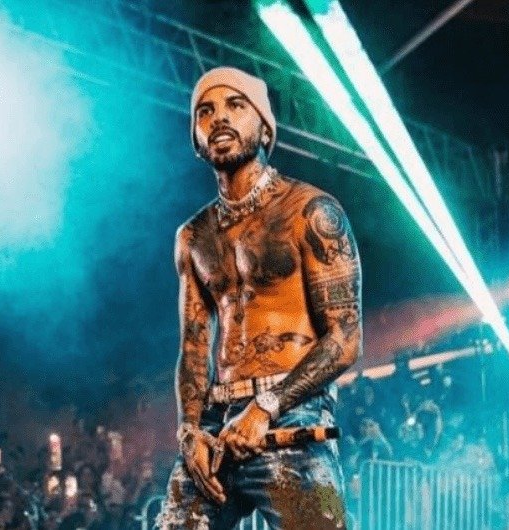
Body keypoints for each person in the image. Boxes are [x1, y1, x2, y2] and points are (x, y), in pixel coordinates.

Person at [156, 66, 363, 529]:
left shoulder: (311, 212)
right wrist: (189, 431)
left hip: (293, 414)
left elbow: (346, 338)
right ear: (196, 140)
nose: (219, 118)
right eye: (205, 111)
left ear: (265, 128)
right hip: (216, 423)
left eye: (236, 105)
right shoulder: (193, 237)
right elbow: (193, 349)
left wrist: (266, 406)